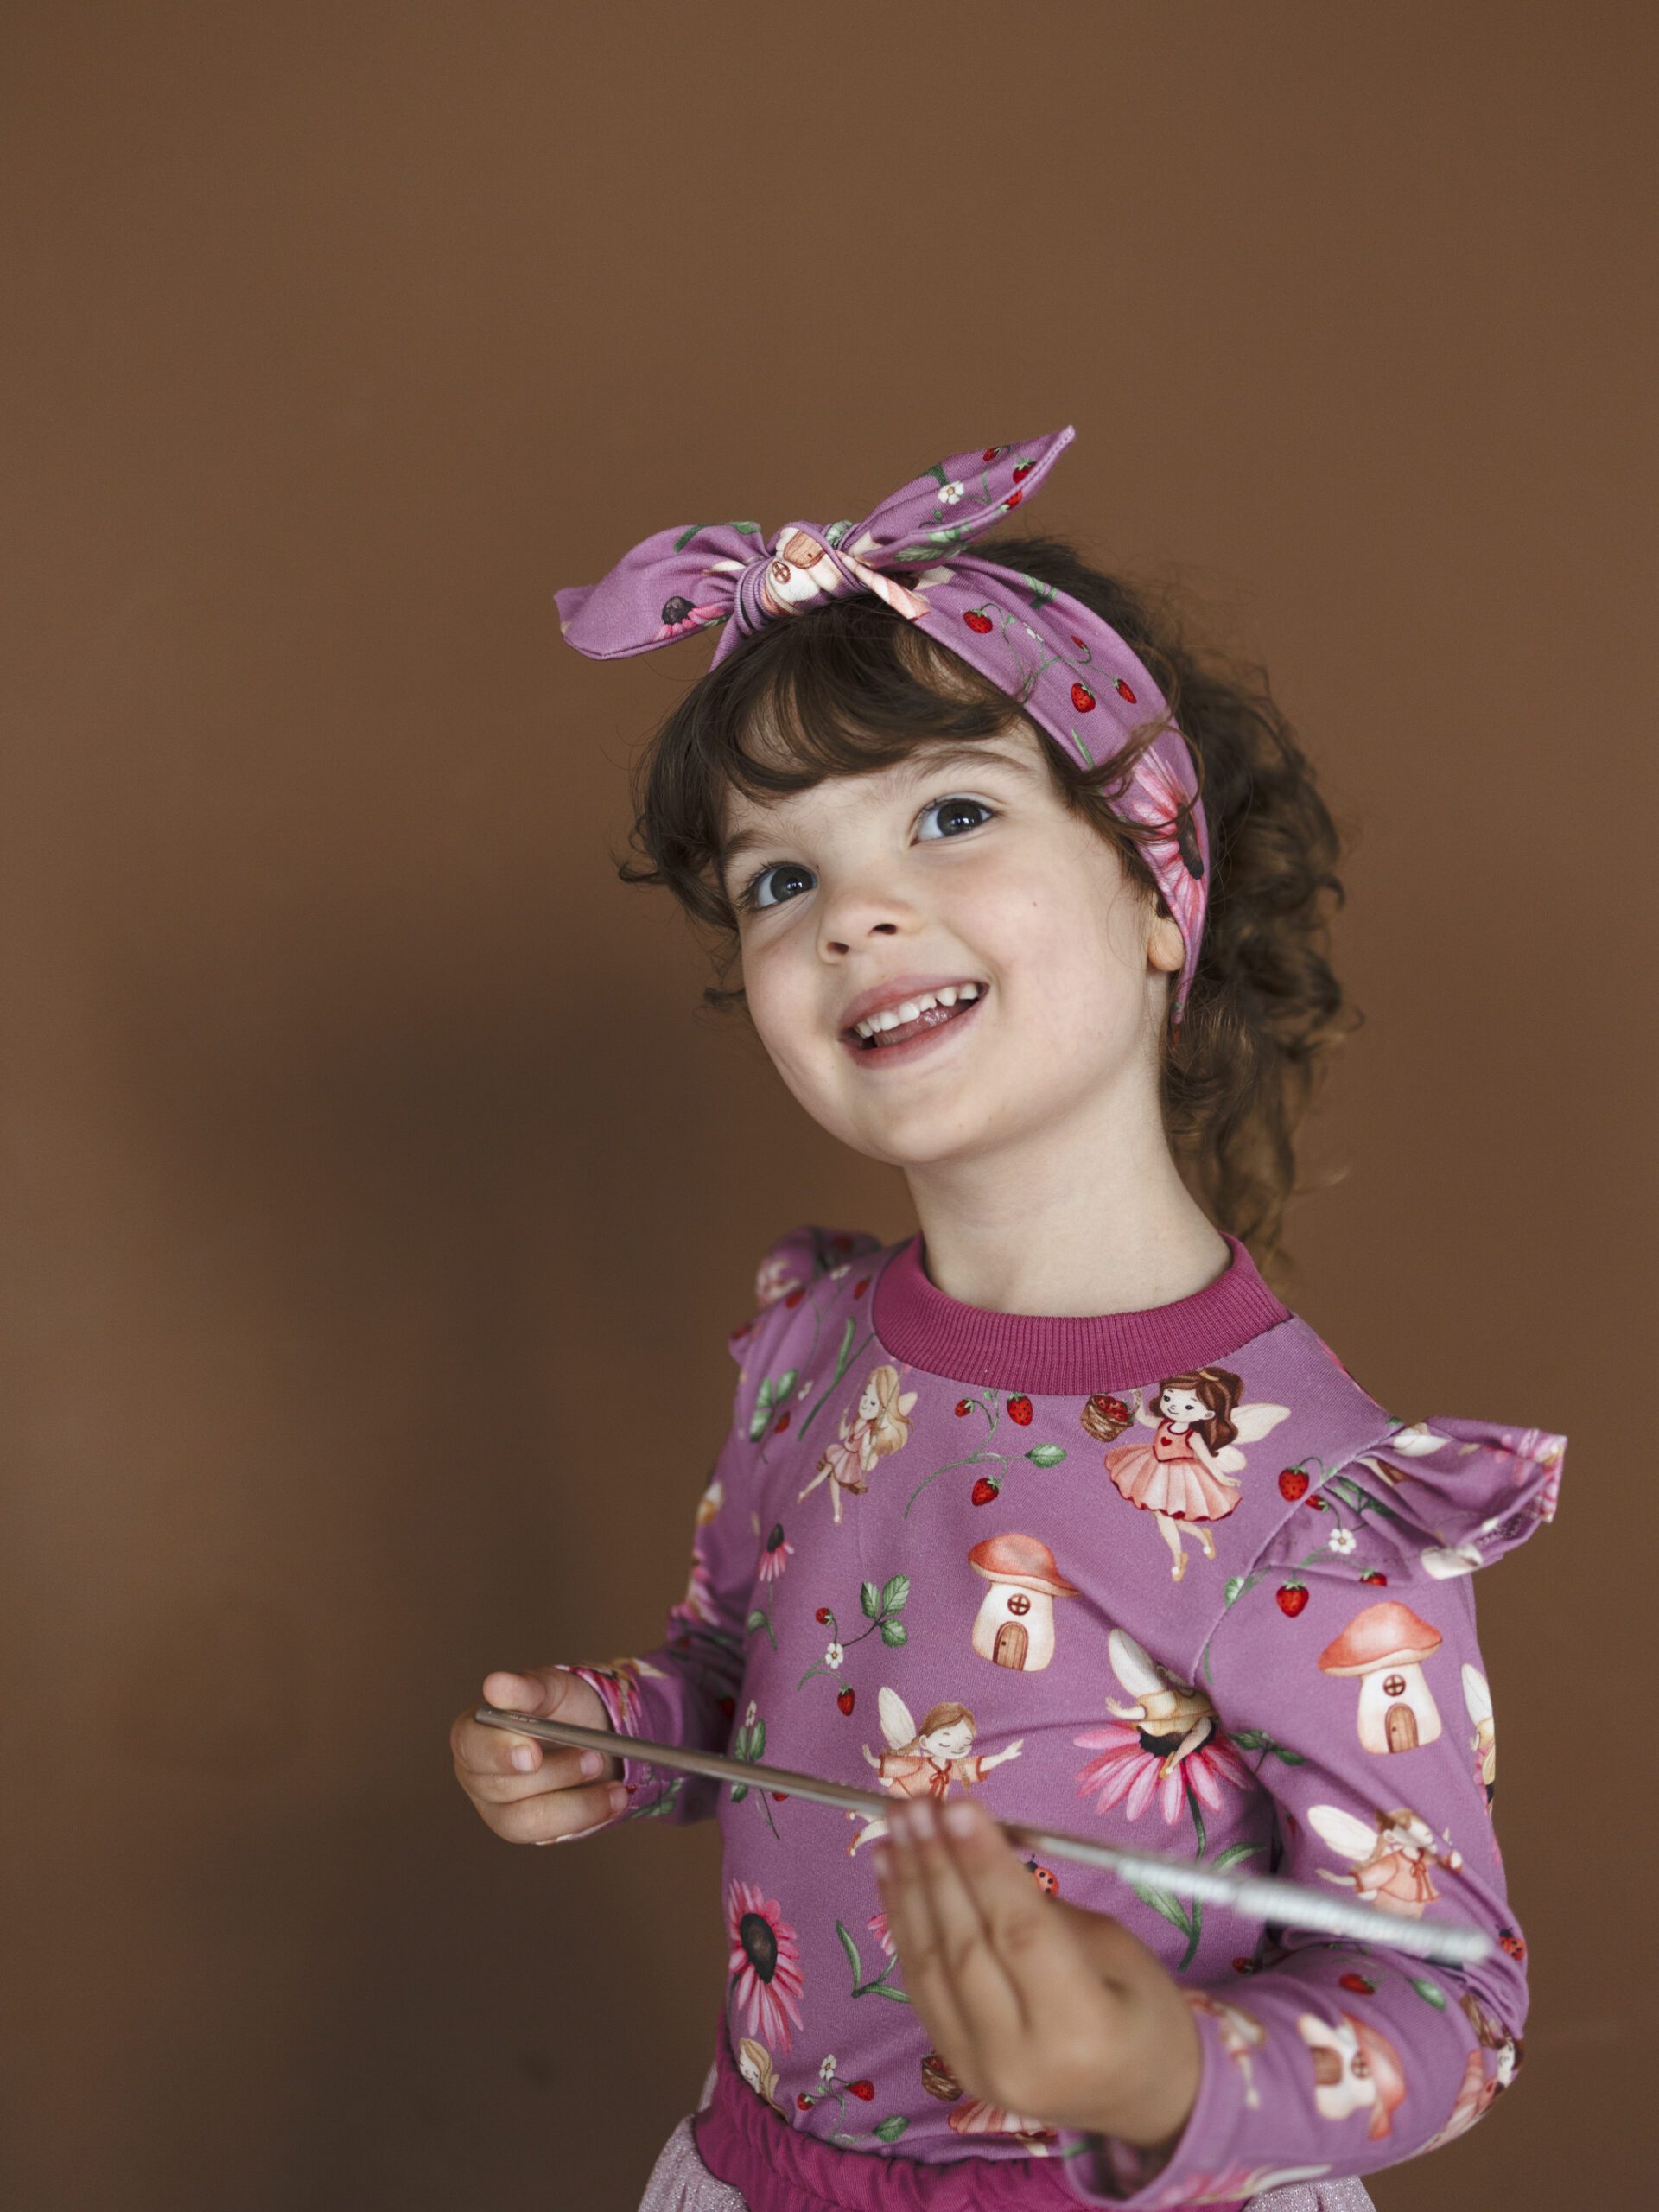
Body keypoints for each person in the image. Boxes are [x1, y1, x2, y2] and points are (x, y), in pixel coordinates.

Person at [448, 428, 1566, 2212]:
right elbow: (741, 1669)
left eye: (952, 815)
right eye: (779, 879)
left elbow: (1456, 2002)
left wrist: (1161, 2070)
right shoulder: (813, 1344)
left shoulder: (1313, 1501)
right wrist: (618, 1727)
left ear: (1154, 884)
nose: (854, 913)